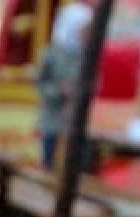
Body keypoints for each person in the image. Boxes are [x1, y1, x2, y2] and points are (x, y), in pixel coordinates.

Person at [35, 3, 92, 170]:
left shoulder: (88, 54)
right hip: (53, 119)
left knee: (76, 168)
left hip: (76, 121)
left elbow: (94, 82)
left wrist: (83, 90)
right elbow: (40, 85)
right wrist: (59, 90)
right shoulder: (51, 53)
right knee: (50, 165)